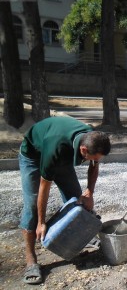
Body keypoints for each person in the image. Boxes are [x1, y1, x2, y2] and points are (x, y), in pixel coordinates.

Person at [19, 116, 111, 285]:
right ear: (83, 150)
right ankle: (31, 259)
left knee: (76, 198)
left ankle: (80, 236)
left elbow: (94, 165)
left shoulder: (93, 137)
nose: (95, 161)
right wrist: (41, 222)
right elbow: (44, 187)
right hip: (33, 155)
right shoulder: (56, 148)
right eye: (93, 157)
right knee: (32, 204)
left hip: (62, 154)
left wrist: (89, 192)